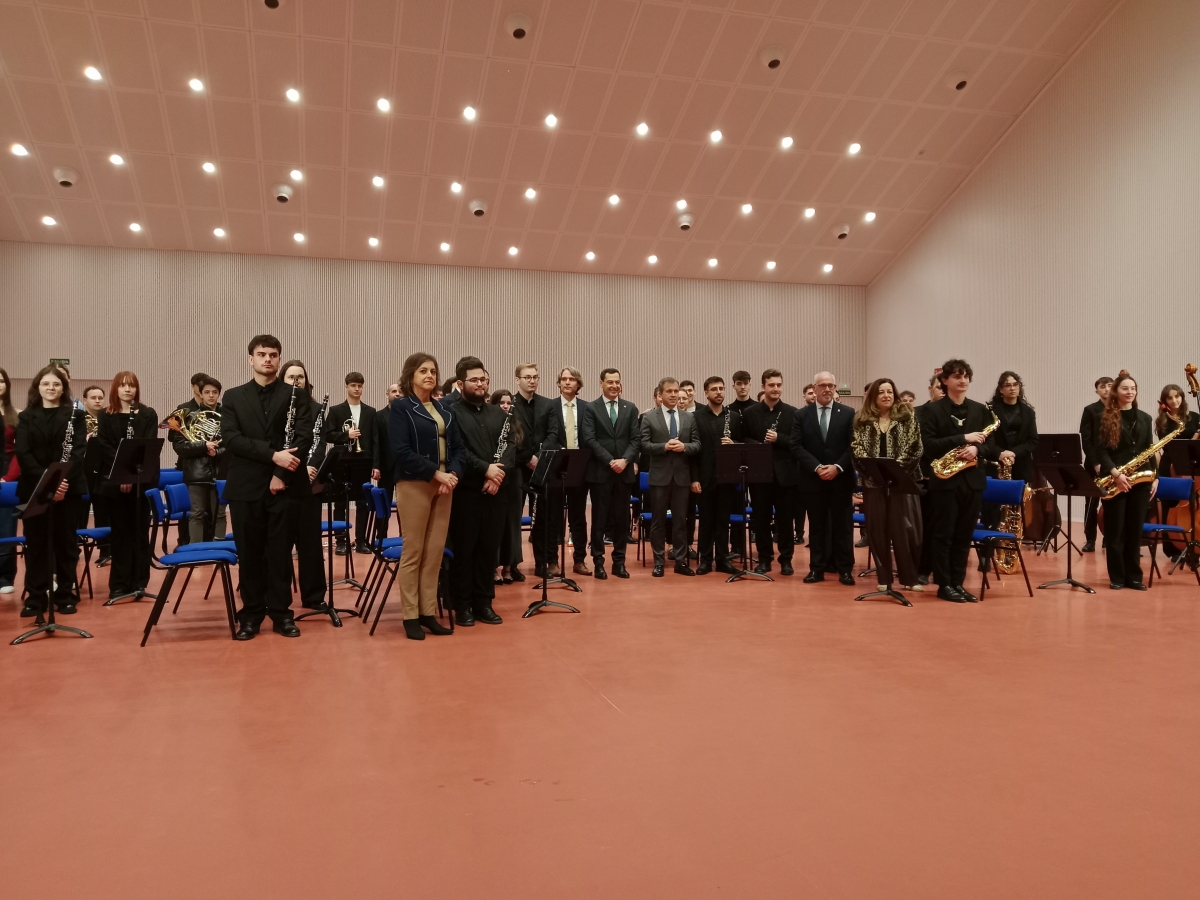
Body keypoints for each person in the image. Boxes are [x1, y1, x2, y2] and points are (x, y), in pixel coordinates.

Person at [221, 335, 314, 640]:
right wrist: (273, 455)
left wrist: (280, 474)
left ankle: (281, 614)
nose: (267, 359)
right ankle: (251, 615)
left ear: (279, 358)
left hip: (286, 484)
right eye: (261, 354)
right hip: (246, 487)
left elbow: (303, 438)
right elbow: (232, 439)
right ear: (251, 359)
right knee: (249, 554)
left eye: (273, 355)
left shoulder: (296, 395)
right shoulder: (233, 396)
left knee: (280, 554)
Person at [389, 352, 462, 639]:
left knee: (434, 554)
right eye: (423, 371)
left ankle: (427, 612)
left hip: (445, 486)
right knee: (414, 551)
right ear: (410, 376)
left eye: (433, 371)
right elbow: (401, 451)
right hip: (414, 483)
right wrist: (436, 473)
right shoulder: (401, 408)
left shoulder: (445, 410)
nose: (429, 375)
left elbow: (459, 449)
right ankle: (410, 616)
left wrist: (452, 475)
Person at [919, 359, 998, 603]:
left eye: (965, 376)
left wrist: (977, 450)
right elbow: (929, 446)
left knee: (964, 535)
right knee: (943, 535)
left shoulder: (980, 410)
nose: (962, 380)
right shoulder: (931, 410)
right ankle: (944, 585)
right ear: (944, 380)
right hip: (945, 482)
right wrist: (963, 438)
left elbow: (991, 444)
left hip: (973, 481)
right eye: (956, 376)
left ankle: (958, 583)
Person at [447, 357, 516, 627]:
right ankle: (463, 605)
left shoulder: (499, 414)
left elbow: (510, 446)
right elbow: (458, 451)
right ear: (460, 383)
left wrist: (498, 475)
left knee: (489, 550)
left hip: (496, 491)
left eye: (484, 379)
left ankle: (484, 603)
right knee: (465, 550)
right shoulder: (451, 413)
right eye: (474, 380)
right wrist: (485, 469)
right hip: (467, 492)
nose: (480, 384)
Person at [15, 366, 86, 617]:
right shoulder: (26, 416)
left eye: (56, 384)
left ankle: (65, 595)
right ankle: (35, 597)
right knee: (35, 544)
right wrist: (48, 482)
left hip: (68, 488)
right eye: (46, 384)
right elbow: (23, 453)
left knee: (65, 544)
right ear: (38, 387)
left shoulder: (75, 415)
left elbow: (78, 452)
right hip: (34, 488)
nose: (51, 388)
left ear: (63, 388)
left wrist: (59, 482)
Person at [852, 378, 924, 591]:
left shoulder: (907, 415)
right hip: (873, 482)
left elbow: (915, 446)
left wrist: (896, 470)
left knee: (904, 530)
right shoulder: (862, 419)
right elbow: (857, 448)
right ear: (874, 396)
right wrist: (874, 473)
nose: (886, 395)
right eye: (881, 392)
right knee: (877, 530)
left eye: (890, 392)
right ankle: (883, 578)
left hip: (901, 481)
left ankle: (909, 578)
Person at [93, 372, 158, 601]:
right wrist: (122, 476)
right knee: (120, 534)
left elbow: (147, 446)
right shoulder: (105, 415)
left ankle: (139, 582)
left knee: (140, 533)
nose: (128, 390)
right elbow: (105, 446)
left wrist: (131, 476)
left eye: (131, 386)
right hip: (114, 482)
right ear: (116, 389)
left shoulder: (147, 414)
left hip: (141, 483)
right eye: (123, 386)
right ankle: (119, 585)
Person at [792, 371, 856, 585]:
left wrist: (837, 467)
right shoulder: (802, 415)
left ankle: (845, 570)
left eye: (831, 385)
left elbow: (853, 446)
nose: (827, 389)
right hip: (813, 481)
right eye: (823, 385)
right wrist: (817, 467)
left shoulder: (848, 413)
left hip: (840, 480)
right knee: (817, 528)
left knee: (843, 528)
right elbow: (796, 446)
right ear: (815, 388)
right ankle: (816, 569)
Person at [1097, 372, 1156, 590]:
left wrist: (1155, 477)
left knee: (1134, 530)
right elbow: (1100, 452)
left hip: (1141, 480)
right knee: (1115, 531)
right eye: (1125, 388)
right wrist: (1116, 474)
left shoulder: (1145, 418)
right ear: (1116, 392)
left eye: (1133, 388)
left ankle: (1134, 577)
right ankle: (1117, 577)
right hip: (1116, 479)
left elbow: (1150, 451)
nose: (1130, 392)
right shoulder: (1104, 417)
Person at [580, 367, 639, 579]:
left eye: (617, 382)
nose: (614, 386)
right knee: (599, 519)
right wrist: (610, 460)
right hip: (600, 472)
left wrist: (625, 460)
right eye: (610, 382)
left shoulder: (630, 408)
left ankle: (619, 562)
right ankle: (598, 562)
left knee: (622, 520)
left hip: (624, 472)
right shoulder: (591, 408)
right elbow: (589, 439)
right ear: (601, 383)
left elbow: (636, 439)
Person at [281, 360, 330, 614]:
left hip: (309, 483)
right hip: (282, 481)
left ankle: (313, 596)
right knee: (280, 544)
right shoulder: (276, 407)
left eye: (300, 377)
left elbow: (319, 443)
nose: (296, 381)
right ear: (282, 380)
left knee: (310, 543)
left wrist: (312, 467)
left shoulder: (315, 409)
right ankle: (279, 599)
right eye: (291, 377)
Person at [640, 378, 700, 577]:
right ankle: (659, 561)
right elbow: (644, 445)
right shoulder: (649, 417)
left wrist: (685, 447)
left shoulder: (689, 418)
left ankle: (680, 561)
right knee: (658, 521)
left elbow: (697, 445)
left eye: (676, 391)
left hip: (682, 477)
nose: (674, 395)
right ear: (660, 394)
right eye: (669, 391)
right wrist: (663, 447)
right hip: (659, 477)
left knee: (680, 521)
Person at [742, 369, 798, 575]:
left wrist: (778, 438)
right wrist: (758, 445)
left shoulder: (793, 413)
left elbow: (797, 443)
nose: (776, 389)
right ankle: (764, 559)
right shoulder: (750, 413)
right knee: (761, 519)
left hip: (785, 475)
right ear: (763, 387)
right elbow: (743, 438)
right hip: (759, 475)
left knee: (785, 521)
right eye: (771, 385)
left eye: (779, 385)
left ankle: (786, 560)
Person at [512, 363, 561, 578]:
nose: (532, 381)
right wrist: (527, 458)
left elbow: (553, 434)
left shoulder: (547, 404)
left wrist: (539, 458)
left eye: (535, 377)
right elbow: (511, 437)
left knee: (544, 517)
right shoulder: (511, 404)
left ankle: (544, 562)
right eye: (528, 377)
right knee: (514, 517)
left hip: (542, 467)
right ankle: (512, 564)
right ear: (518, 380)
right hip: (518, 468)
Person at [692, 376, 742, 575]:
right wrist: (694, 478)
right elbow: (694, 452)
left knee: (723, 521)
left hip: (727, 478)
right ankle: (705, 560)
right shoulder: (696, 417)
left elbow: (743, 444)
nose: (719, 392)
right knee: (706, 521)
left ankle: (722, 560)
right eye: (714, 389)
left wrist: (734, 444)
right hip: (705, 477)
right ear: (706, 393)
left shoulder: (734, 417)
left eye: (721, 388)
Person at [326, 372, 378, 555]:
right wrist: (346, 435)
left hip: (363, 461)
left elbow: (375, 440)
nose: (357, 389)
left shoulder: (370, 412)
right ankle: (341, 541)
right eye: (353, 385)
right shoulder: (336, 410)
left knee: (363, 502)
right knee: (340, 503)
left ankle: (361, 541)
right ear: (346, 386)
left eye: (360, 386)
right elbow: (327, 435)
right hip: (342, 461)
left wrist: (376, 464)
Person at [172, 375, 226, 543]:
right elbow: (179, 445)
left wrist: (217, 452)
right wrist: (203, 446)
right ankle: (196, 549)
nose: (211, 395)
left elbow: (233, 443)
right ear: (200, 394)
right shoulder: (188, 415)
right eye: (207, 392)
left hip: (220, 471)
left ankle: (219, 549)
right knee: (196, 513)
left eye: (214, 392)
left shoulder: (227, 415)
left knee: (220, 513)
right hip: (195, 473)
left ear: (219, 394)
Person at [552, 367, 591, 576]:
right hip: (556, 466)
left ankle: (580, 560)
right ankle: (552, 561)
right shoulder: (550, 406)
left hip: (579, 466)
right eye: (564, 379)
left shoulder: (587, 408)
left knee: (578, 516)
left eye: (572, 379)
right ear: (559, 383)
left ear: (578, 384)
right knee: (555, 516)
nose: (567, 382)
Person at [1154, 383, 1199, 561]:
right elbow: (1168, 447)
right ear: (1164, 401)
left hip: (1193, 466)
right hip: (1171, 465)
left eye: (1177, 396)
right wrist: (1194, 437)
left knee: (1193, 505)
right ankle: (1172, 548)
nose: (1174, 400)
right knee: (1170, 506)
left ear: (1182, 397)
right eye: (1170, 397)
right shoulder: (1163, 422)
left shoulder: (1195, 417)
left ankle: (1193, 543)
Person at [489, 389, 525, 584]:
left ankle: (509, 566)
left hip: (513, 478)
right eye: (501, 402)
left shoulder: (516, 425)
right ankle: (494, 567)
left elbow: (522, 451)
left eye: (508, 403)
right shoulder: (490, 423)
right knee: (495, 524)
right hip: (495, 476)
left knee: (512, 524)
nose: (505, 406)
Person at [914, 373, 947, 582]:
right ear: (930, 389)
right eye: (939, 387)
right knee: (925, 527)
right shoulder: (917, 413)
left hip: (951, 478)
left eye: (945, 388)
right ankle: (923, 569)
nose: (943, 392)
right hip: (924, 478)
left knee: (945, 528)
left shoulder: (955, 415)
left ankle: (943, 570)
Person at [1080, 376, 1114, 552]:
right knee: (1091, 503)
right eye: (1103, 386)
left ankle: (1109, 538)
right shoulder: (1090, 410)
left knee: (1112, 503)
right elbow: (1086, 440)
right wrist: (1095, 463)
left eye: (1110, 386)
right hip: (1093, 464)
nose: (1107, 389)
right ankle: (1090, 539)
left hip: (1114, 464)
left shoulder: (1119, 409)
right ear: (1097, 390)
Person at [78, 385, 111, 559]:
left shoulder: (108, 419)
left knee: (104, 513)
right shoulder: (78, 420)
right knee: (80, 514)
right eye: (93, 398)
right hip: (83, 473)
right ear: (85, 400)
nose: (98, 401)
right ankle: (75, 549)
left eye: (100, 398)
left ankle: (105, 551)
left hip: (103, 472)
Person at [373, 382, 401, 541]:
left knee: (405, 507)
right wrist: (376, 466)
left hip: (403, 468)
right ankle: (381, 538)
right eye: (394, 391)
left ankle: (405, 540)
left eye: (400, 391)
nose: (397, 394)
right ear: (387, 394)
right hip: (386, 467)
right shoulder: (379, 416)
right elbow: (376, 442)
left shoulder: (407, 415)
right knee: (383, 505)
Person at [0, 367, 18, 594]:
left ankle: (5, 576)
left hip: (8, 473)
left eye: (2, 381)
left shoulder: (16, 414)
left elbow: (19, 451)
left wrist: (8, 478)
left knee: (6, 528)